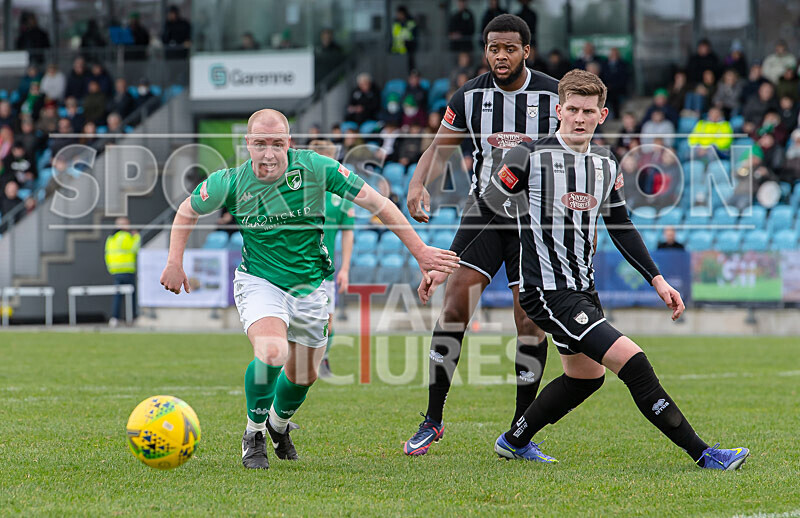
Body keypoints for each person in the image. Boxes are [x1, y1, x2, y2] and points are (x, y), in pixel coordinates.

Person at [159, 109, 459, 469]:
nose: (269, 153)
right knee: (272, 352)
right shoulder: (230, 181)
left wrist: (421, 251)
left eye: (277, 144)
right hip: (260, 282)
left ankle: (277, 425)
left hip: (310, 286)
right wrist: (174, 261)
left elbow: (378, 203)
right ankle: (254, 433)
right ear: (247, 144)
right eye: (260, 144)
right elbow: (187, 210)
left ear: (289, 142)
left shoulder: (316, 168)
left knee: (305, 376)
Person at [479, 68, 748, 470]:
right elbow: (486, 208)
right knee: (633, 361)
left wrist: (657, 278)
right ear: (559, 110)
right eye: (573, 109)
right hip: (547, 292)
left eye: (589, 111)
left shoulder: (605, 162)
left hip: (583, 289)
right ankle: (704, 454)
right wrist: (445, 261)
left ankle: (514, 440)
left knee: (585, 377)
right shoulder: (528, 156)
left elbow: (620, 225)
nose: (580, 118)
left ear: (602, 115)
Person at [404, 14, 558, 456]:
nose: (500, 56)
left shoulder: (554, 96)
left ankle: (520, 433)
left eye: (509, 48)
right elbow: (440, 148)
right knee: (454, 307)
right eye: (493, 48)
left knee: (528, 322)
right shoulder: (469, 96)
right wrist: (418, 183)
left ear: (526, 51)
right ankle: (432, 420)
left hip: (535, 220)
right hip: (484, 213)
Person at [307, 139, 355, 379]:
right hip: (295, 267)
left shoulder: (340, 196)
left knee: (327, 319)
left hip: (326, 270)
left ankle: (322, 362)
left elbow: (348, 232)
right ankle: (289, 363)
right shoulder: (297, 191)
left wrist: (345, 268)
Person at [105, 217, 141, 327]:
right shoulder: (125, 236)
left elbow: (107, 254)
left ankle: (115, 317)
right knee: (132, 295)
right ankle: (133, 317)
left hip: (115, 270)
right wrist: (137, 237)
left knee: (118, 296)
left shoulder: (111, 238)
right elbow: (134, 248)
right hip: (127, 269)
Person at [391, 6, 417, 71]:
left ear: (403, 13)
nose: (397, 15)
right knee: (397, 68)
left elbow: (412, 35)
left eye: (398, 13)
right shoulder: (396, 23)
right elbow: (394, 36)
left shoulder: (410, 22)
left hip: (408, 49)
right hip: (397, 50)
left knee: (409, 67)